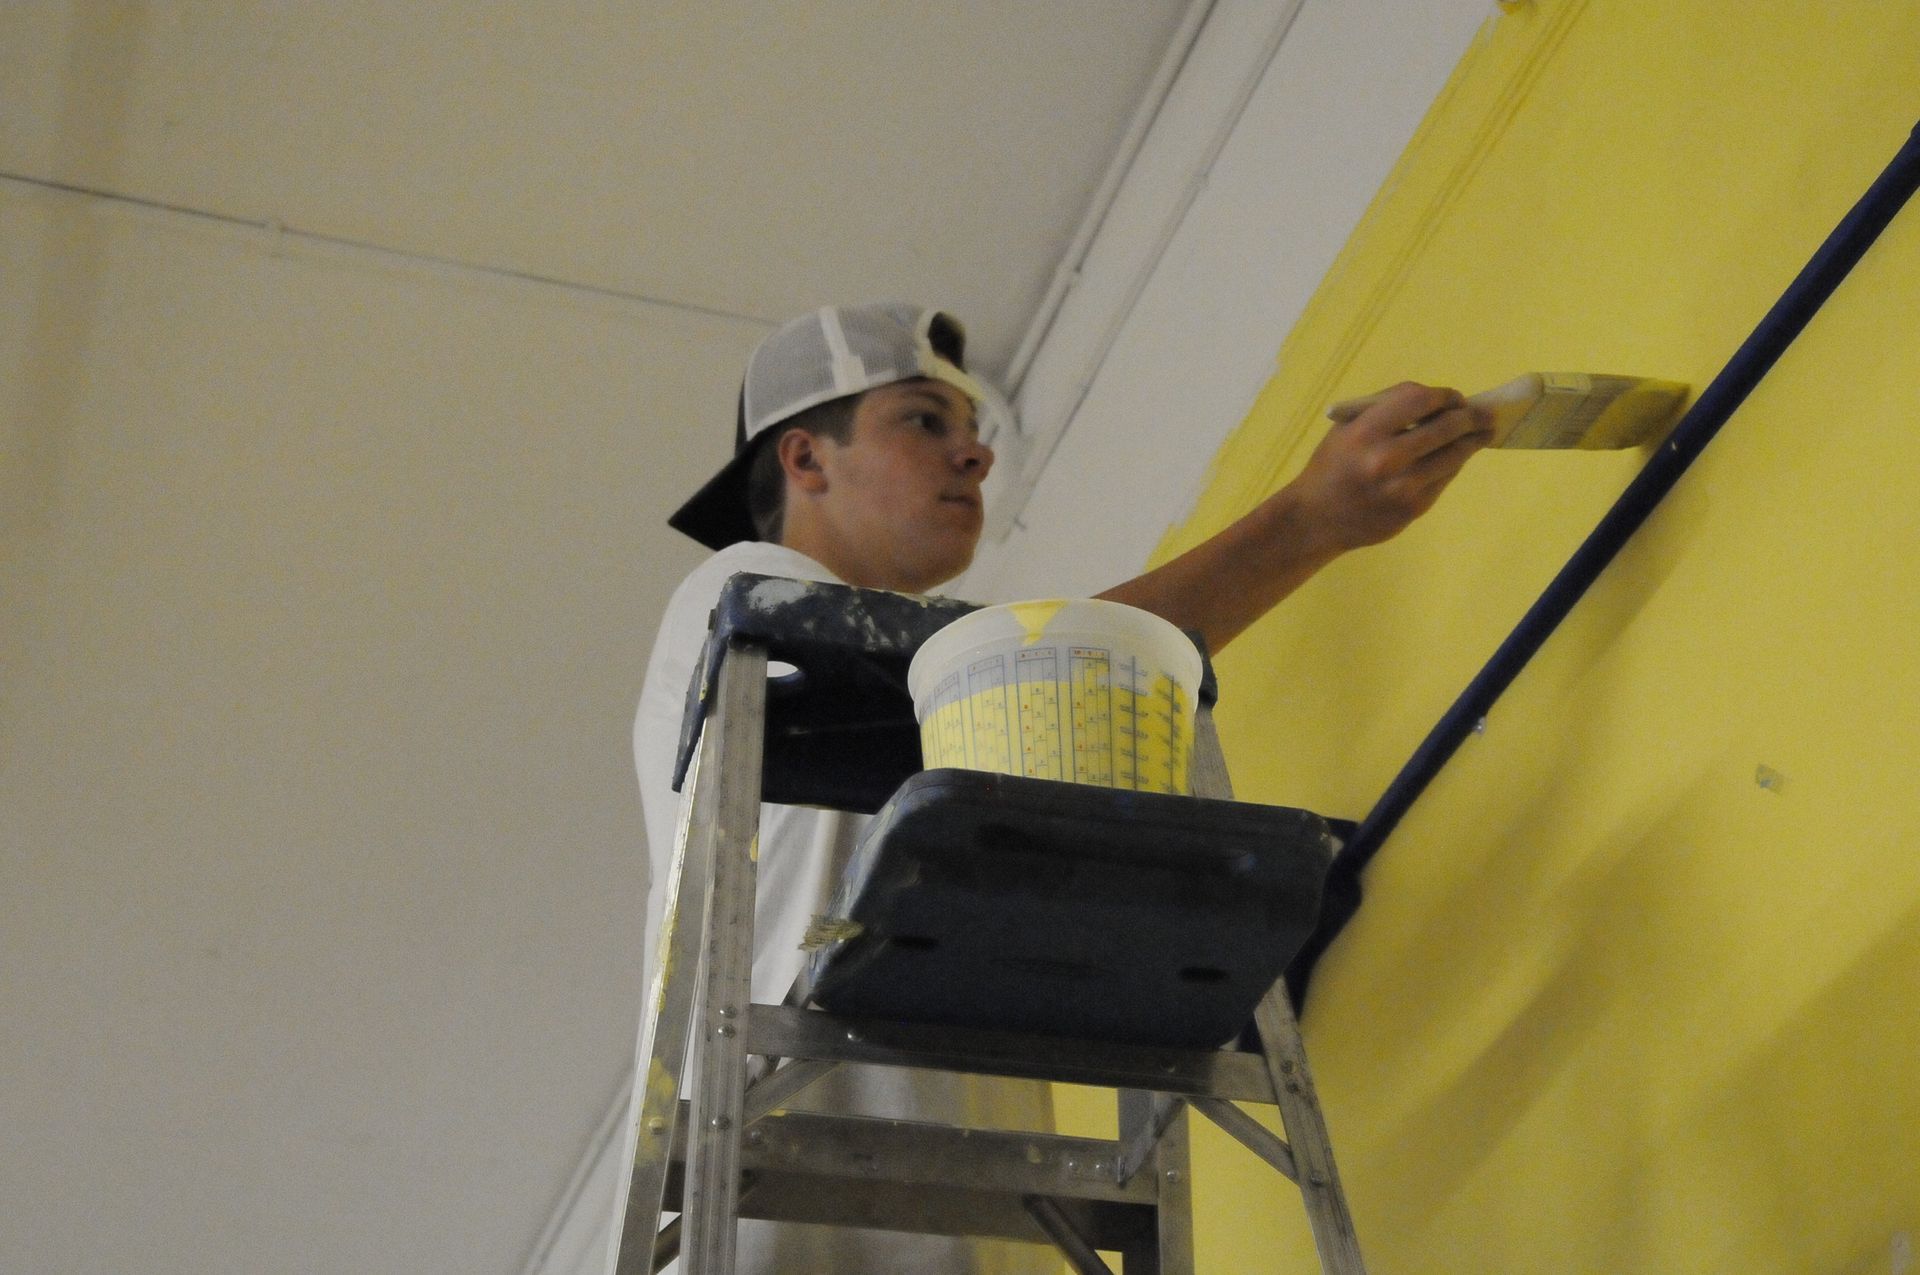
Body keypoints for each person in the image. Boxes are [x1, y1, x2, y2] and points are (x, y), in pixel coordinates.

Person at [632, 302, 1489, 1272]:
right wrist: (1306, 521)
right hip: (771, 1210)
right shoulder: (739, 590)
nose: (975, 456)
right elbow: (1047, 676)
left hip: (960, 1215)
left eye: (972, 432)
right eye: (924, 420)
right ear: (805, 459)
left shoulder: (920, 698)